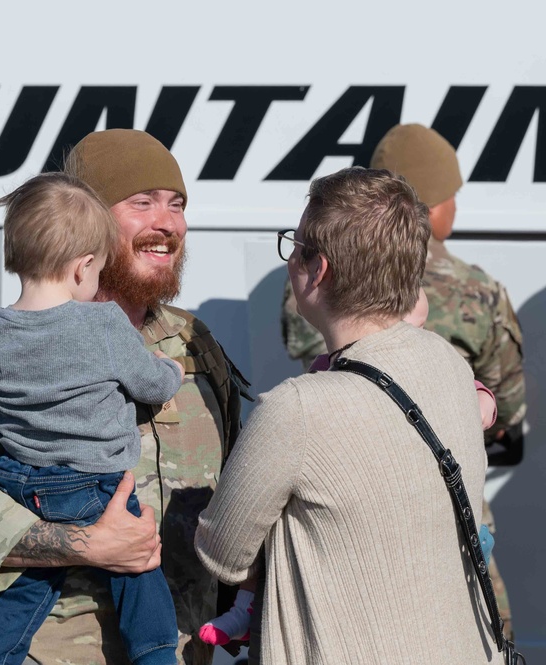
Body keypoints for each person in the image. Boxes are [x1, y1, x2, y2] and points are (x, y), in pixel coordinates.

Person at [0, 129, 247, 665]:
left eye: (177, 204)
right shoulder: (9, 344)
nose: (168, 223)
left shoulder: (194, 344)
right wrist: (86, 546)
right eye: (143, 202)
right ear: (89, 224)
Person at [197, 167, 496, 664]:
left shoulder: (297, 409)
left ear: (320, 270)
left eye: (296, 245)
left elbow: (221, 553)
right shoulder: (449, 365)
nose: (291, 258)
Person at [278, 124, 524, 637]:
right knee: (483, 629)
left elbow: (303, 353)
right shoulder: (478, 292)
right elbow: (511, 406)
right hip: (452, 507)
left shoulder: (314, 271)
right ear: (433, 205)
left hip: (336, 497)